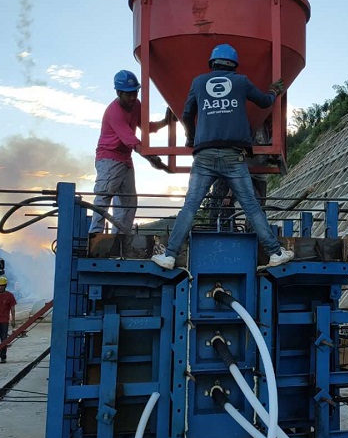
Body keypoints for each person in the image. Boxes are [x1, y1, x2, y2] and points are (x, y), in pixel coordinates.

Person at [151, 44, 294, 270]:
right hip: (233, 156)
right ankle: (275, 253)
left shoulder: (198, 82)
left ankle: (169, 256)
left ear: (212, 63)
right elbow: (265, 102)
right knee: (251, 207)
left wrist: (191, 136)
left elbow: (187, 113)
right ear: (234, 65)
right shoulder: (241, 81)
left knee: (190, 206)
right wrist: (274, 91)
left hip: (204, 156)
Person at [89, 70, 174, 235]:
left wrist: (166, 122)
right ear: (118, 93)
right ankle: (95, 235)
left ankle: (119, 239)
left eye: (135, 92)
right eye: (128, 94)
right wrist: (151, 158)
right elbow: (132, 141)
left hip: (125, 158)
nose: (133, 97)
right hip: (109, 158)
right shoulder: (114, 112)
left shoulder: (136, 105)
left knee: (128, 203)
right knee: (104, 195)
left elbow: (146, 127)